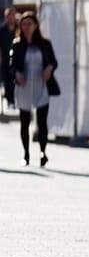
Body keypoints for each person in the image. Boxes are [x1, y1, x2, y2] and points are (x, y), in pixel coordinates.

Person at [10, 12, 57, 167]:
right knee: (25, 122)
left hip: (41, 84)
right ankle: (26, 154)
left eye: (29, 23)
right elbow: (11, 65)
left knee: (42, 121)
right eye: (24, 24)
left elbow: (53, 62)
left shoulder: (45, 44)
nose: (27, 27)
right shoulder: (17, 44)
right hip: (24, 86)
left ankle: (43, 151)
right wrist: (17, 73)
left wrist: (49, 68)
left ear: (36, 25)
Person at [0, 6, 18, 108]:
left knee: (16, 79)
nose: (10, 18)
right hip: (6, 60)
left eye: (12, 15)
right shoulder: (2, 30)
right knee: (7, 80)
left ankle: (16, 99)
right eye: (8, 16)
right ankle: (10, 100)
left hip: (17, 59)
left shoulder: (19, 28)